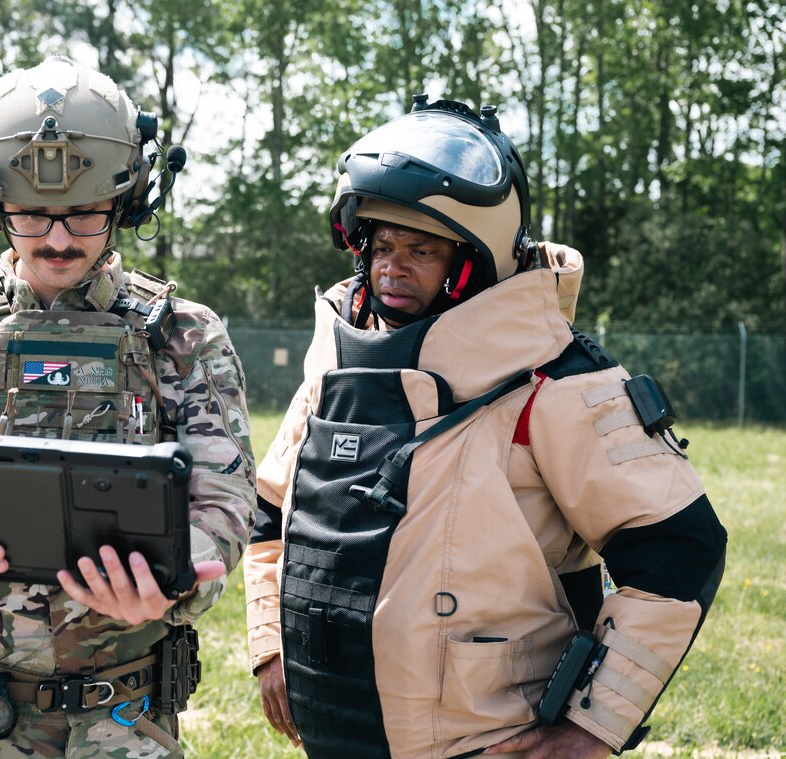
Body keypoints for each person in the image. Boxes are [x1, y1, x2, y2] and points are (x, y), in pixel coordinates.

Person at [243, 98, 727, 759]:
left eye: (421, 248)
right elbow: (270, 512)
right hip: (334, 734)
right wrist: (270, 646)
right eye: (382, 244)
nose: (393, 265)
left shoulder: (555, 380)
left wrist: (590, 727)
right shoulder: (334, 353)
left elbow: (680, 549)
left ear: (473, 259)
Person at [0, 55, 256, 757]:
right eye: (34, 214)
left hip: (123, 717)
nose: (60, 239)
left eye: (85, 213)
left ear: (127, 201)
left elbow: (223, 506)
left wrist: (173, 577)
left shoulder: (184, 336)